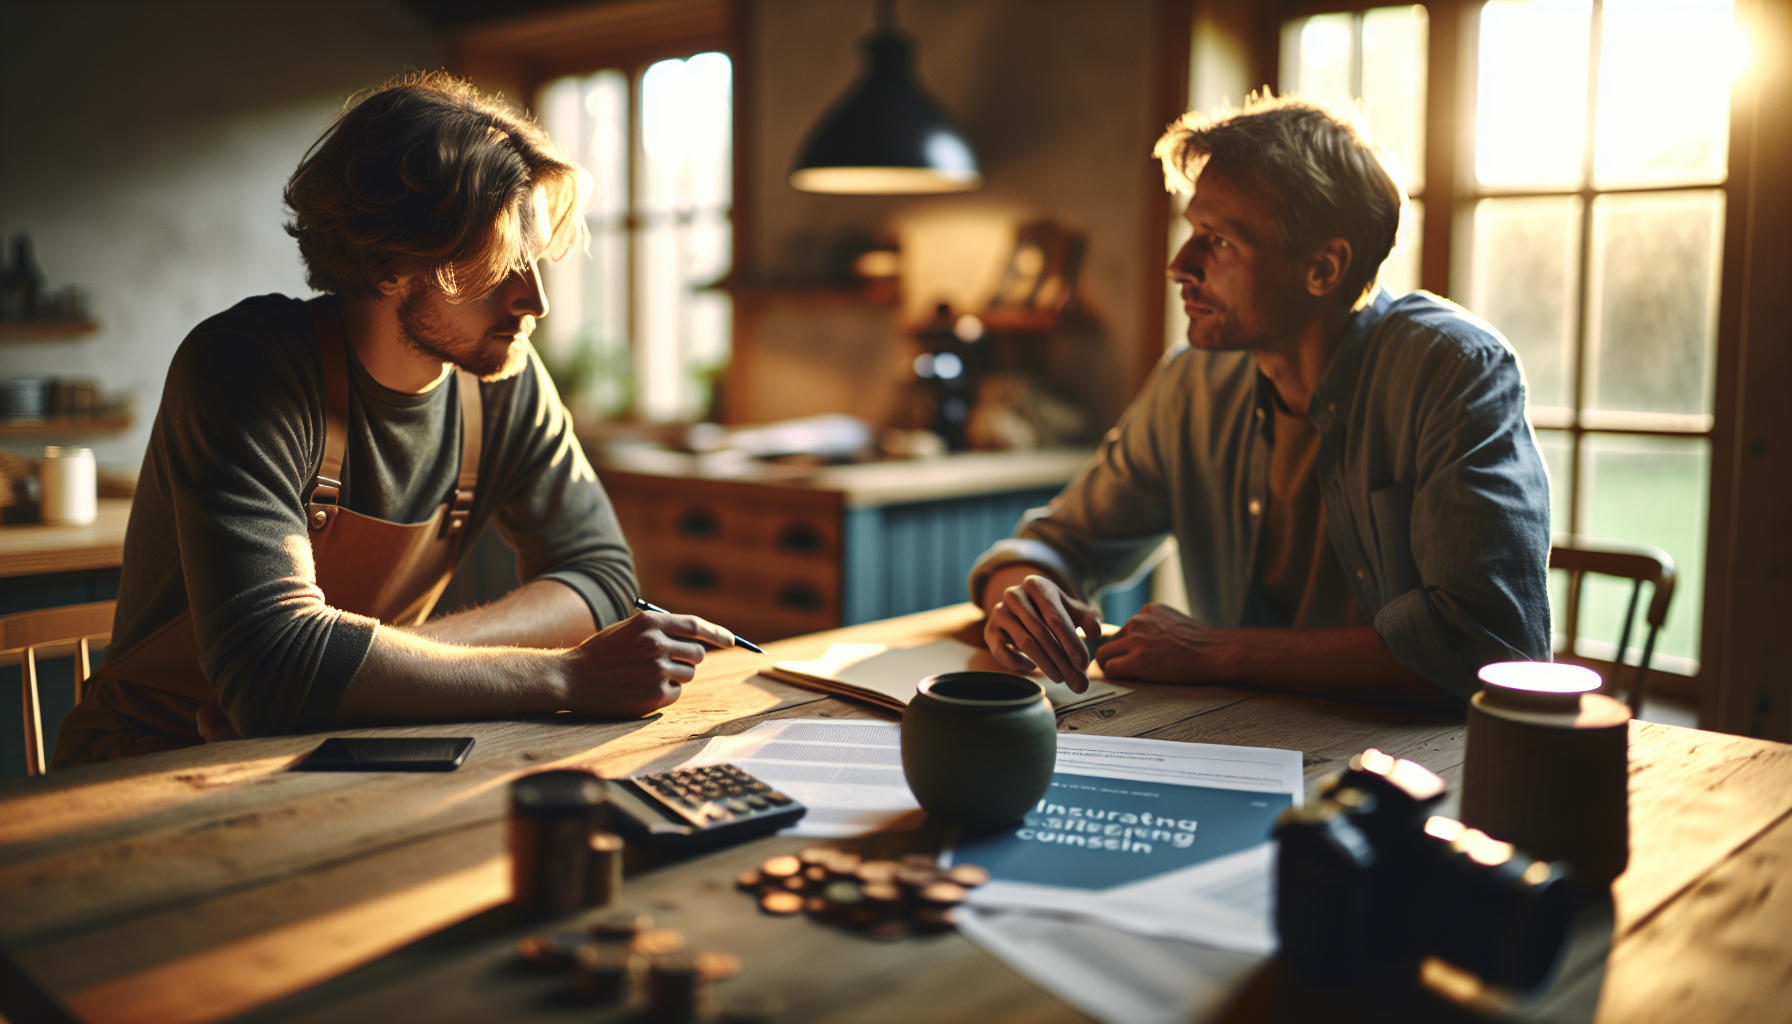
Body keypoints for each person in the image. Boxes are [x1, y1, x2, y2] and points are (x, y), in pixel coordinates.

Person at [52, 73, 732, 767]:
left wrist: (358, 677)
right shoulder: (246, 367)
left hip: (339, 746)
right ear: (389, 266)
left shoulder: (503, 380)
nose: (535, 303)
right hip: (149, 764)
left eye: (534, 262)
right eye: (499, 266)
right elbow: (269, 668)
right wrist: (564, 674)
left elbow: (601, 576)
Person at [971, 92, 1551, 706]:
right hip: (1232, 743)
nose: (1178, 266)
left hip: (1412, 764)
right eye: (1192, 231)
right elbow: (1057, 542)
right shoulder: (1194, 382)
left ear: (1324, 269)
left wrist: (1217, 650)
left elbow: (1492, 643)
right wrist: (1024, 594)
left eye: (1218, 242)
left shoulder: (1455, 370)